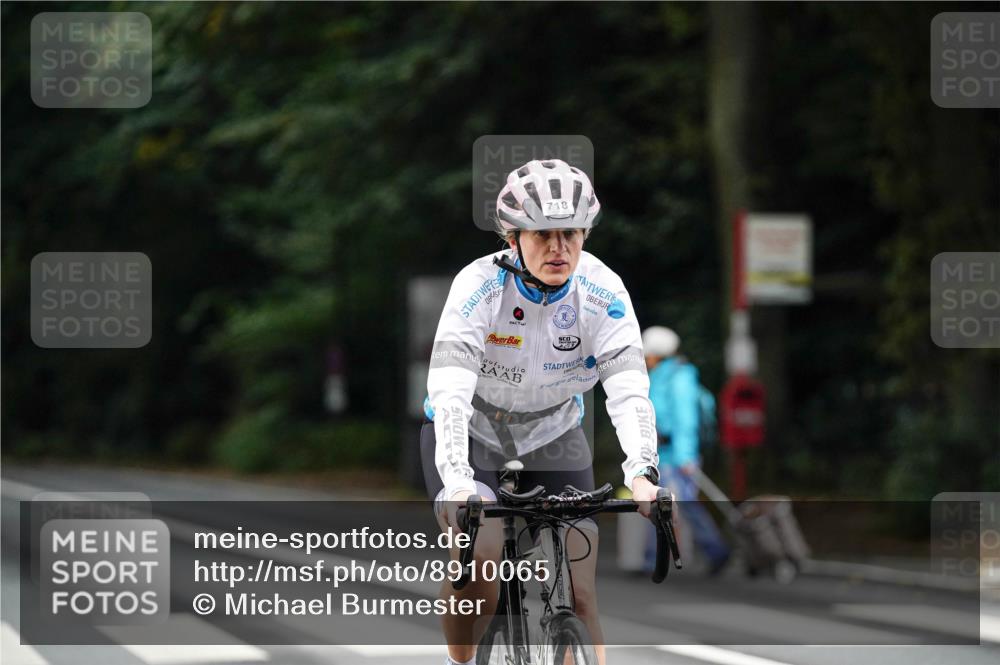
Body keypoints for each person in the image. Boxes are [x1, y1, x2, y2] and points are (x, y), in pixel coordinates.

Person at [421, 158, 661, 665]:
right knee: (481, 573)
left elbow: (630, 392)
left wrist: (642, 473)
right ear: (513, 238)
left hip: (554, 432)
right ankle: (459, 659)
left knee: (581, 591)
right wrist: (460, 482)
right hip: (472, 431)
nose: (558, 248)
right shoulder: (478, 285)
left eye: (571, 233)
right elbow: (449, 389)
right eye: (543, 235)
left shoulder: (604, 292)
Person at [642, 326, 730, 575]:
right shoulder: (660, 375)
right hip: (661, 453)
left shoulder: (679, 377)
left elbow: (685, 419)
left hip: (676, 455)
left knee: (677, 505)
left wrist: (685, 456)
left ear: (657, 354)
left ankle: (715, 550)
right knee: (667, 505)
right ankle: (655, 559)